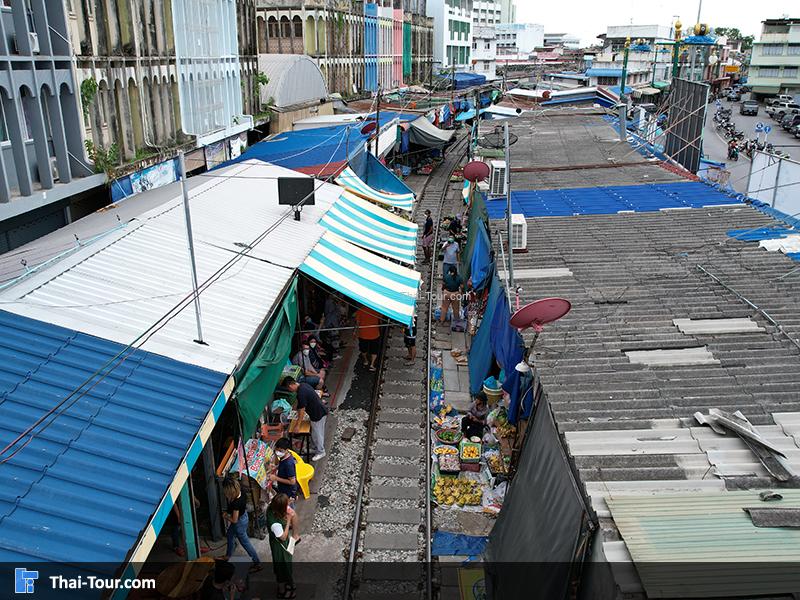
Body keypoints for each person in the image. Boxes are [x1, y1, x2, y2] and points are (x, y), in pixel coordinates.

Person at [282, 376, 329, 462]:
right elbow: (300, 404)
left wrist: (297, 425)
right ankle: (315, 448)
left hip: (318, 413)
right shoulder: (303, 385)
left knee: (318, 433)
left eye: (288, 389)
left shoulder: (301, 393)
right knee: (315, 432)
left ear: (290, 386)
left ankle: (321, 452)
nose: (290, 391)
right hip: (317, 412)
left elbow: (302, 410)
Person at [220, 478, 261, 572]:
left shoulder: (236, 503)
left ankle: (257, 562)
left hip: (239, 523)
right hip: (243, 516)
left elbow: (234, 520)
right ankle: (228, 555)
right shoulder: (241, 491)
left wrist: (225, 516)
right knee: (230, 535)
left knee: (245, 543)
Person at [267, 494, 296, 599]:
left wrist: (289, 502)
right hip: (279, 546)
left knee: (282, 566)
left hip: (276, 543)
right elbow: (283, 537)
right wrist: (288, 520)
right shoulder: (275, 525)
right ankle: (286, 589)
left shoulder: (271, 509)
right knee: (283, 566)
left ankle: (283, 588)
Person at [270, 437, 298, 501]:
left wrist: (276, 478)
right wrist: (276, 467)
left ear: (286, 450)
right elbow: (282, 465)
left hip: (288, 492)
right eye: (277, 450)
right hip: (283, 488)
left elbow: (292, 482)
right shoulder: (284, 457)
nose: (278, 452)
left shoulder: (289, 464)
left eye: (280, 451)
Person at [355, 306, 381, 372]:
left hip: (363, 334)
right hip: (375, 333)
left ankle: (366, 360)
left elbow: (357, 322)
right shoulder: (376, 310)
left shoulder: (360, 310)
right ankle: (372, 364)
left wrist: (355, 331)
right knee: (374, 350)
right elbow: (380, 319)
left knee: (363, 349)